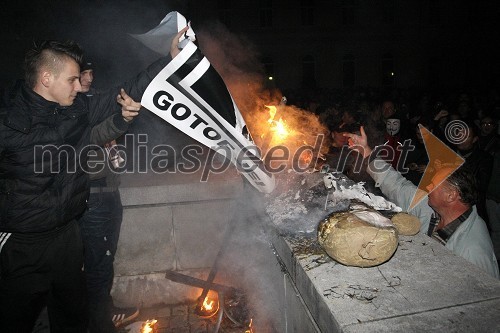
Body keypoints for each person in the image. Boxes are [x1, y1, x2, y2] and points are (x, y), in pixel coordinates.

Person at [0, 28, 188, 333]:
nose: (79, 85)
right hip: (23, 244)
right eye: (72, 80)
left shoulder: (77, 110)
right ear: (47, 78)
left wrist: (168, 59)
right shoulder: (8, 122)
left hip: (67, 238)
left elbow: (126, 90)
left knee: (74, 319)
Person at [344, 127, 499, 278]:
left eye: (434, 184)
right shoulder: (432, 209)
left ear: (451, 195)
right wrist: (366, 151)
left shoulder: (472, 249)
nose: (428, 186)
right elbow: (397, 185)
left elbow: (486, 297)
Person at [78, 59, 139, 332]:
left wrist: (113, 148)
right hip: (93, 199)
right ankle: (100, 323)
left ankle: (106, 311)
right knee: (97, 265)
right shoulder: (70, 113)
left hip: (109, 193)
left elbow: (113, 156)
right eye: (83, 76)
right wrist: (119, 122)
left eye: (91, 75)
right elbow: (96, 136)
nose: (89, 81)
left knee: (104, 260)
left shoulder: (93, 107)